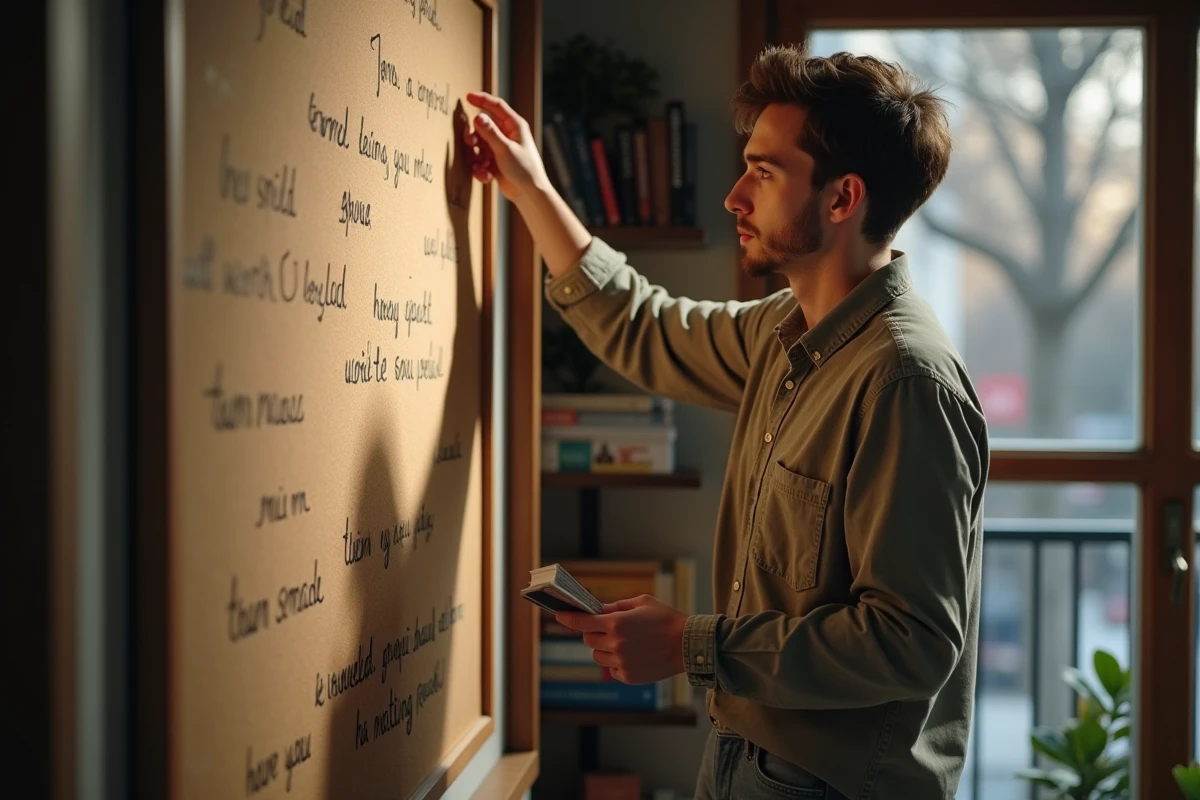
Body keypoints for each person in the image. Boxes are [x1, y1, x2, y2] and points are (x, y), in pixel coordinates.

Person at [464, 43, 989, 800]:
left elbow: (910, 644)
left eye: (764, 172)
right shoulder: (788, 328)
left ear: (842, 200)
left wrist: (688, 643)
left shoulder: (905, 380)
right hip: (746, 758)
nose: (733, 196)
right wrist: (532, 187)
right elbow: (644, 327)